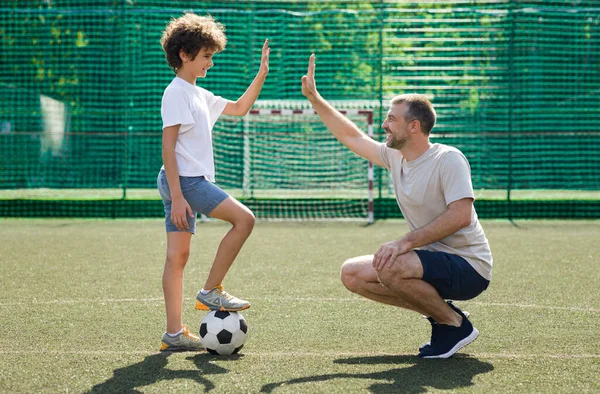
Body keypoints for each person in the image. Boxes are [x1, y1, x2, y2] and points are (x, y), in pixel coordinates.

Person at [301, 54, 493, 359]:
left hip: (469, 266)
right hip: (431, 260)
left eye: (392, 118)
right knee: (352, 274)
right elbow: (351, 135)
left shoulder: (448, 158)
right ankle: (443, 315)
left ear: (414, 126)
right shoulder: (395, 157)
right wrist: (315, 98)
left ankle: (454, 324)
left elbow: (460, 215)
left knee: (389, 264)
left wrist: (404, 242)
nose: (384, 124)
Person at [157, 13, 270, 352]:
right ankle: (210, 291)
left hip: (182, 182)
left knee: (177, 258)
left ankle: (174, 334)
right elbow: (168, 146)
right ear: (184, 54)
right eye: (206, 56)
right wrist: (178, 196)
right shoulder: (176, 93)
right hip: (185, 183)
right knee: (244, 219)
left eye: (212, 56)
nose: (210, 62)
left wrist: (261, 74)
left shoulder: (198, 94)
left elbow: (240, 108)